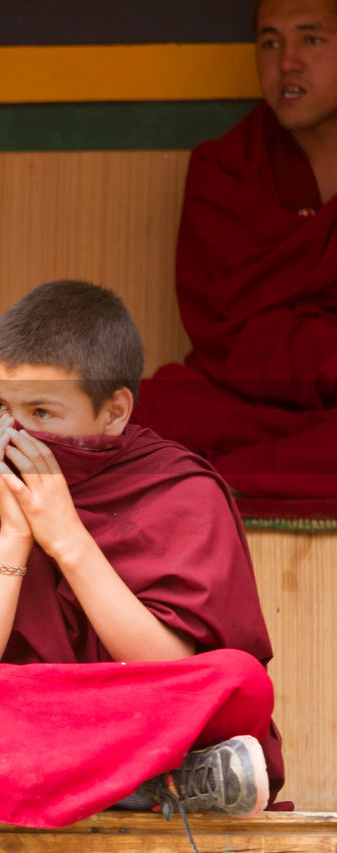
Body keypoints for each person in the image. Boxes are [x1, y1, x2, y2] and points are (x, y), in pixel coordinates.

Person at [0, 281, 283, 828]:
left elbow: (167, 664)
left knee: (238, 682)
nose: (12, 433)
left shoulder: (180, 489)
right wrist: (14, 539)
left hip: (122, 706)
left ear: (114, 412)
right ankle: (147, 784)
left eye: (42, 412)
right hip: (13, 706)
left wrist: (65, 536)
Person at [132, 0, 337, 499]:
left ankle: (209, 485)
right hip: (244, 397)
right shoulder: (225, 168)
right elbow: (224, 333)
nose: (287, 62)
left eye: (311, 39)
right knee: (126, 420)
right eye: (270, 43)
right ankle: (222, 482)